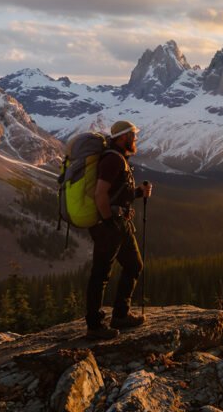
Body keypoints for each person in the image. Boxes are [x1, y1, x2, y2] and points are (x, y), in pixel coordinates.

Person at [85, 120, 153, 340]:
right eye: (133, 135)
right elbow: (100, 193)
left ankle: (121, 315)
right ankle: (95, 326)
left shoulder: (117, 158)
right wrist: (108, 222)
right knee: (101, 274)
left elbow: (118, 193)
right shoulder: (113, 160)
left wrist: (138, 193)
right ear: (124, 137)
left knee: (134, 265)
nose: (136, 138)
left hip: (119, 223)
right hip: (110, 225)